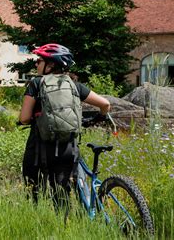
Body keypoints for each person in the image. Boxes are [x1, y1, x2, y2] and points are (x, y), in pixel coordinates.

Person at [19, 43, 110, 210]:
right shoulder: (74, 85)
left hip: (39, 147)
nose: (36, 64)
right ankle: (64, 225)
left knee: (33, 191)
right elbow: (105, 104)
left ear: (50, 64)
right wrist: (99, 118)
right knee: (61, 194)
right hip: (67, 148)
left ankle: (35, 223)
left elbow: (24, 118)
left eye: (39, 61)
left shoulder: (36, 83)